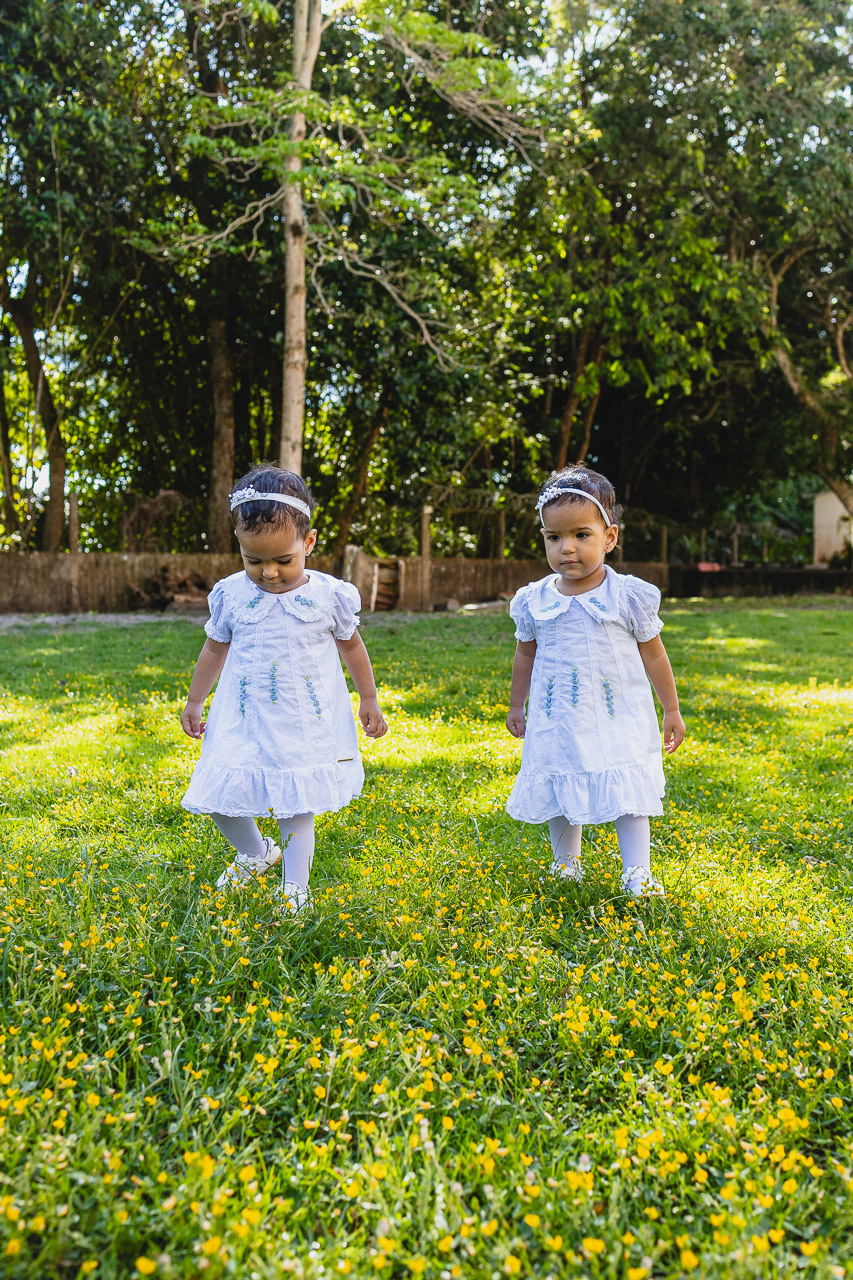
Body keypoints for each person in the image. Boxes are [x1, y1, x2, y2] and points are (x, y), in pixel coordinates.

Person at [180, 464, 387, 909]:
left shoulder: (329, 596)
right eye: (254, 560)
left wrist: (368, 697)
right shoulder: (232, 594)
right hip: (242, 716)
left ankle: (296, 887)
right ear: (239, 546)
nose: (269, 572)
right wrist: (196, 700)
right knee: (219, 795)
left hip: (301, 720)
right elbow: (214, 649)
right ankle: (255, 853)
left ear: (308, 543)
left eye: (282, 560)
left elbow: (352, 648)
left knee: (296, 805)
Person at [505, 465, 685, 896]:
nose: (567, 548)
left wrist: (672, 709)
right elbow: (524, 654)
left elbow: (654, 653)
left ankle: (637, 872)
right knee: (561, 783)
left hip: (618, 712)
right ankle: (566, 864)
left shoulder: (626, 595)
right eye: (554, 537)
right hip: (558, 717)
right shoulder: (535, 599)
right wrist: (516, 705)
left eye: (581, 535)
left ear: (610, 537)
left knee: (629, 789)